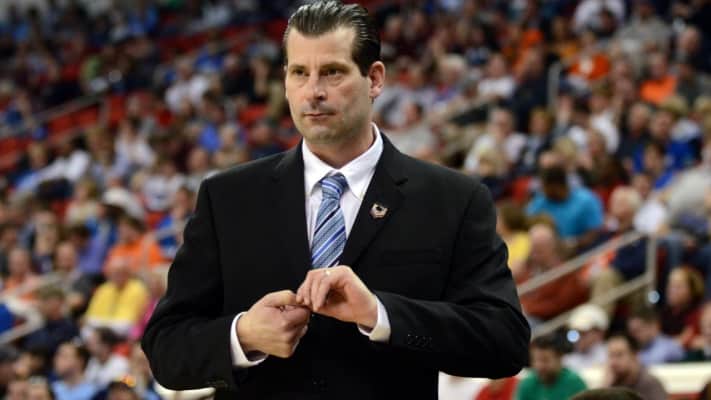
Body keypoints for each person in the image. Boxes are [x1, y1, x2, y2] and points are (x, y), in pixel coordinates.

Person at [141, 1, 530, 399]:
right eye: (299, 73)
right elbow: (164, 347)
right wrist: (243, 335)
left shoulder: (453, 200)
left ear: (374, 79)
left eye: (332, 72)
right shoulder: (227, 198)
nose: (313, 92)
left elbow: (505, 342)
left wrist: (381, 314)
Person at [515, 335, 587, 400]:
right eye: (535, 360)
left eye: (545, 360)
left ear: (559, 358)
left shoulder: (574, 383)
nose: (539, 366)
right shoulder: (527, 384)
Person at [605, 333, 667, 400]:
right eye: (611, 355)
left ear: (634, 356)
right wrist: (606, 387)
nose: (614, 362)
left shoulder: (650, 384)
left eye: (619, 355)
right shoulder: (612, 383)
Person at [564, 304, 609, 370]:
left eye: (583, 333)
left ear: (599, 333)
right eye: (574, 333)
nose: (577, 338)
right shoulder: (567, 361)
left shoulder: (611, 356)